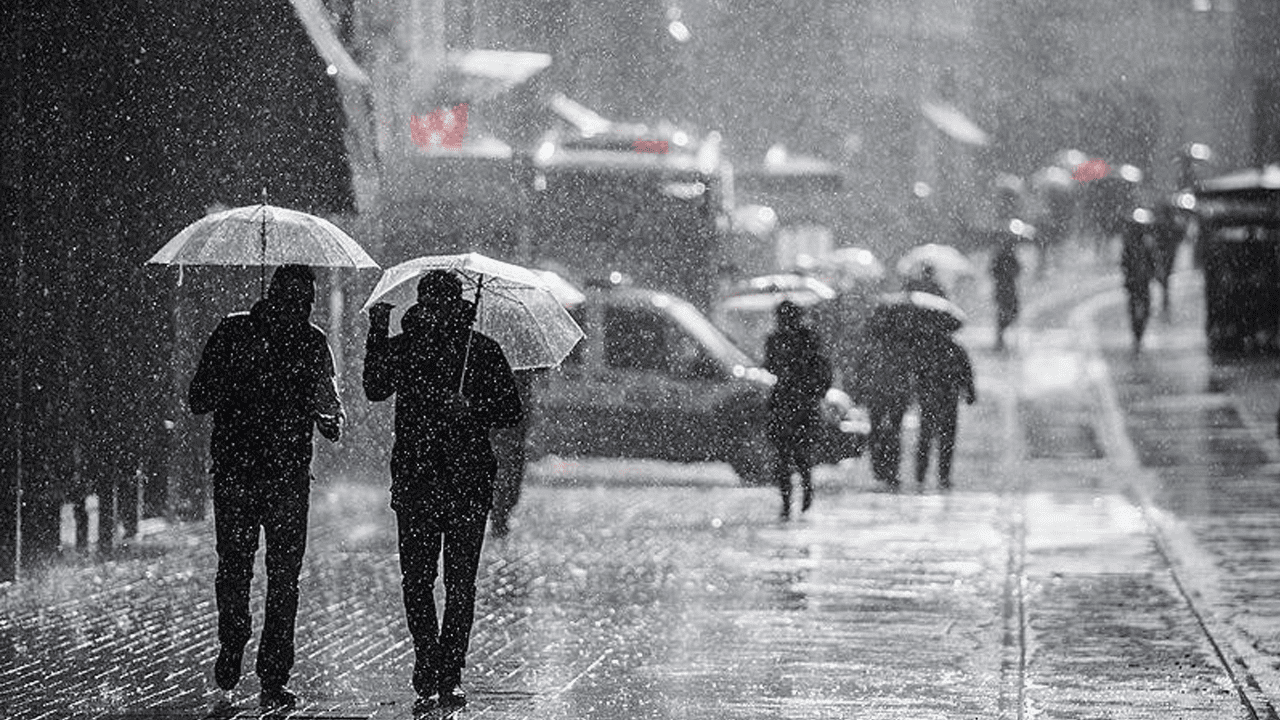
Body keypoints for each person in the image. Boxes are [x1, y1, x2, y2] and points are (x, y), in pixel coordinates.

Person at [362, 270, 523, 712]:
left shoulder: (483, 352)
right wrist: (378, 333)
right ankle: (427, 657)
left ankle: (450, 668)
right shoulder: (406, 345)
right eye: (429, 304)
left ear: (458, 306)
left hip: (467, 481)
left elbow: (510, 410)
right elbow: (375, 388)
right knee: (417, 580)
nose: (435, 312)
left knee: (459, 583)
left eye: (442, 304)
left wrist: (472, 406)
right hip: (417, 479)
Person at [188, 264, 344, 712]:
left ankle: (274, 674)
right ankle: (234, 640)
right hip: (239, 473)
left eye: (306, 303)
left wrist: (329, 420)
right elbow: (198, 397)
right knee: (237, 568)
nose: (300, 310)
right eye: (295, 300)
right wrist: (239, 376)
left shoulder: (312, 343)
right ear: (273, 295)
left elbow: (329, 406)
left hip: (289, 477)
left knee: (283, 579)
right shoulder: (234, 333)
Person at [763, 301, 832, 520]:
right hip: (788, 402)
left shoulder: (806, 339)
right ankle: (790, 499)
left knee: (795, 455)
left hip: (797, 402)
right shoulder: (779, 340)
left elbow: (820, 369)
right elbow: (770, 366)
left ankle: (801, 494)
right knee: (787, 456)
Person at [849, 308, 916, 489]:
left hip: (880, 396)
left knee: (879, 431)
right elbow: (908, 373)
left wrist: (858, 392)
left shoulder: (874, 348)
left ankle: (882, 467)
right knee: (891, 433)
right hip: (891, 396)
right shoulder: (900, 348)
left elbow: (861, 372)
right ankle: (888, 468)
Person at [913, 335, 977, 488]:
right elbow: (966, 374)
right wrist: (970, 393)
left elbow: (917, 374)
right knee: (946, 440)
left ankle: (921, 475)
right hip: (949, 400)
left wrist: (919, 391)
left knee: (926, 438)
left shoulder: (926, 348)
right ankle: (944, 476)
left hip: (929, 400)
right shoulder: (956, 349)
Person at [489, 368, 536, 537]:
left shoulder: (522, 374)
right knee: (507, 475)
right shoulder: (519, 371)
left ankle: (500, 513)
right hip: (503, 434)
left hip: (511, 435)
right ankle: (499, 514)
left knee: (509, 476)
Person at [1121, 212, 1156, 351]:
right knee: (1137, 308)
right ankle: (1137, 334)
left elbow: (1153, 261)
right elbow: (1124, 263)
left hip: (1142, 282)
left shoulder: (1147, 242)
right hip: (1135, 282)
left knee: (1143, 308)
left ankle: (1138, 333)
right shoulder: (1131, 243)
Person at [990, 236, 1021, 351]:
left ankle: (1001, 337)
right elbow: (993, 271)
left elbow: (1018, 270)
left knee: (1010, 313)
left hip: (1008, 290)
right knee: (1004, 314)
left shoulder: (1010, 257)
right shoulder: (1000, 257)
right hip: (1003, 290)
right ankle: (1000, 338)